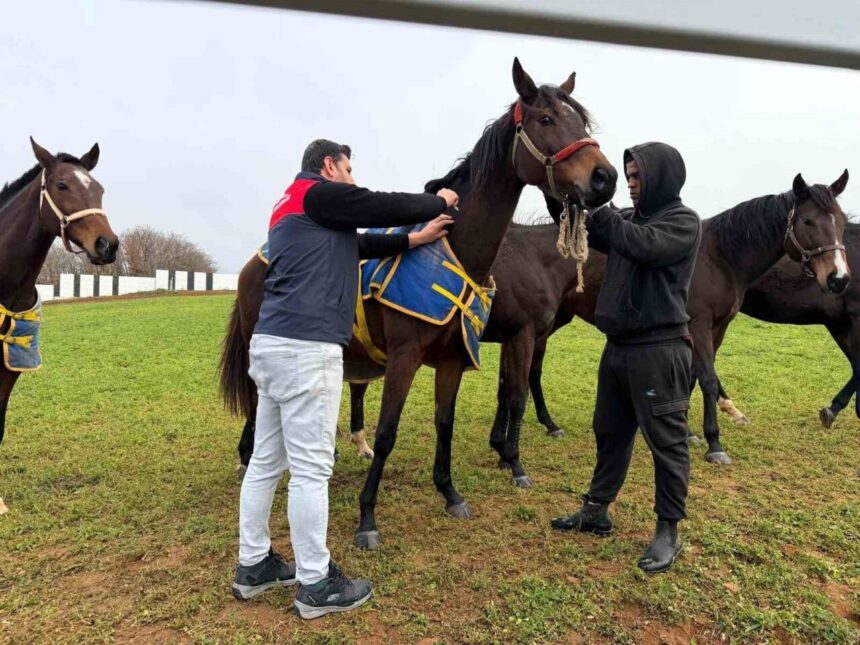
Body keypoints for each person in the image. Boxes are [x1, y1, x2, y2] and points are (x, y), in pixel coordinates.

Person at [232, 139, 458, 617]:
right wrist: (439, 201)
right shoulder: (318, 192)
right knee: (312, 471)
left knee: (267, 463)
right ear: (329, 165)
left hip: (272, 347)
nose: (353, 178)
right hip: (307, 350)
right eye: (349, 169)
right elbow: (378, 206)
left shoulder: (289, 209)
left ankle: (253, 565)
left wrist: (413, 239)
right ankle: (315, 584)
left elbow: (357, 243)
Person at [551, 142, 702, 574]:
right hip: (618, 347)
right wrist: (570, 187)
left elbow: (640, 244)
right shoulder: (628, 219)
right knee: (610, 432)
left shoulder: (682, 222)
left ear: (661, 177)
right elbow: (597, 228)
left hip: (659, 349)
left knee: (667, 444)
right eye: (629, 178)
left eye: (637, 178)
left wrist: (604, 209)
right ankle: (596, 511)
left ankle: (668, 530)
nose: (632, 185)